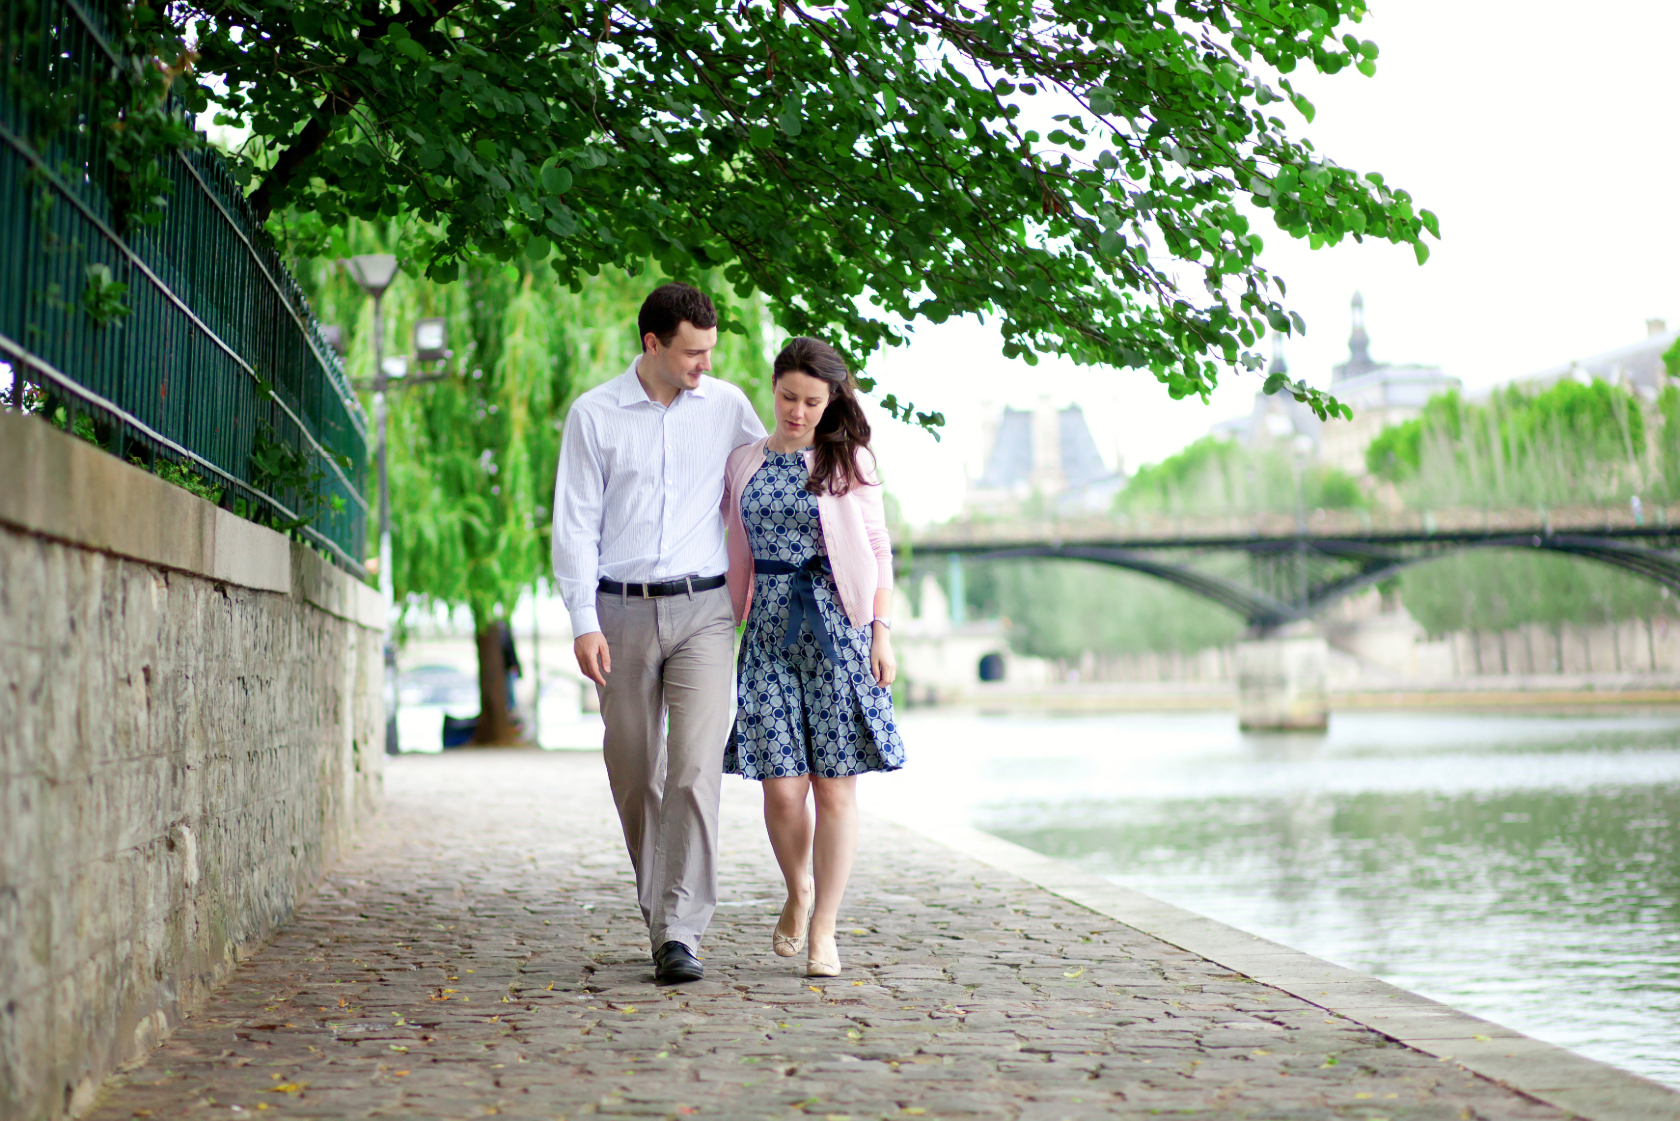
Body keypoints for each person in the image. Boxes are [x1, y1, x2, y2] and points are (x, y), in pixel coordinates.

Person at [551, 283, 766, 985]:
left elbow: (775, 466)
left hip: (705, 610)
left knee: (697, 769)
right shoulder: (595, 415)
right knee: (636, 769)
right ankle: (661, 911)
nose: (705, 363)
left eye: (709, 351)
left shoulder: (728, 406)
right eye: (692, 352)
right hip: (620, 610)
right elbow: (575, 522)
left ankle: (678, 927)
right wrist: (583, 620)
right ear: (653, 345)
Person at [722, 336, 906, 978]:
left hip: (839, 628)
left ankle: (825, 925)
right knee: (780, 789)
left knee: (833, 787)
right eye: (788, 397)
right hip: (767, 631)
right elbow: (727, 542)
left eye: (811, 402)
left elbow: (879, 547)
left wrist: (882, 630)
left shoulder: (846, 458)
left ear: (830, 404)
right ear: (772, 388)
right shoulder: (743, 461)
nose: (797, 412)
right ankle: (797, 888)